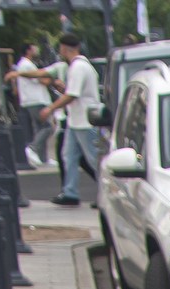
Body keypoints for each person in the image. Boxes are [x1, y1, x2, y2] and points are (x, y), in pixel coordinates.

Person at [44, 33, 101, 204]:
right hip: (75, 121)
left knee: (93, 159)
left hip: (84, 121)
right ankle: (70, 192)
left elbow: (72, 95)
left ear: (62, 48)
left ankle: (106, 194)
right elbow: (73, 92)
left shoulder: (78, 67)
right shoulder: (78, 67)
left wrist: (50, 108)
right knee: (68, 155)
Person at [12, 47, 56, 164]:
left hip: (29, 100)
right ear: (28, 50)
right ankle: (32, 148)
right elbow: (42, 80)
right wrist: (52, 79)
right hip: (37, 99)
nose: (36, 49)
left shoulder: (23, 64)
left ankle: (43, 158)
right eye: (33, 48)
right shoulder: (27, 65)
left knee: (39, 128)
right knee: (48, 127)